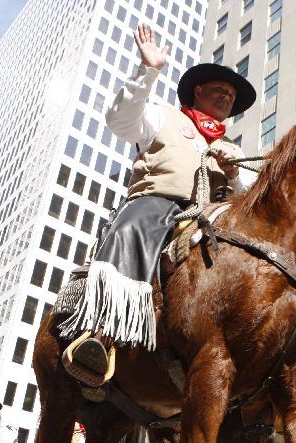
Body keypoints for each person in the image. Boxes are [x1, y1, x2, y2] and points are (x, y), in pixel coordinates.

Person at [60, 24, 257, 387]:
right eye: (221, 90)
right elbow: (120, 120)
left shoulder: (234, 148)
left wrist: (232, 174)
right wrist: (148, 70)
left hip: (210, 221)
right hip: (158, 206)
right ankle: (101, 335)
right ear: (198, 91)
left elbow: (249, 192)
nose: (228, 97)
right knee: (134, 224)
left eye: (232, 96)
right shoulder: (162, 116)